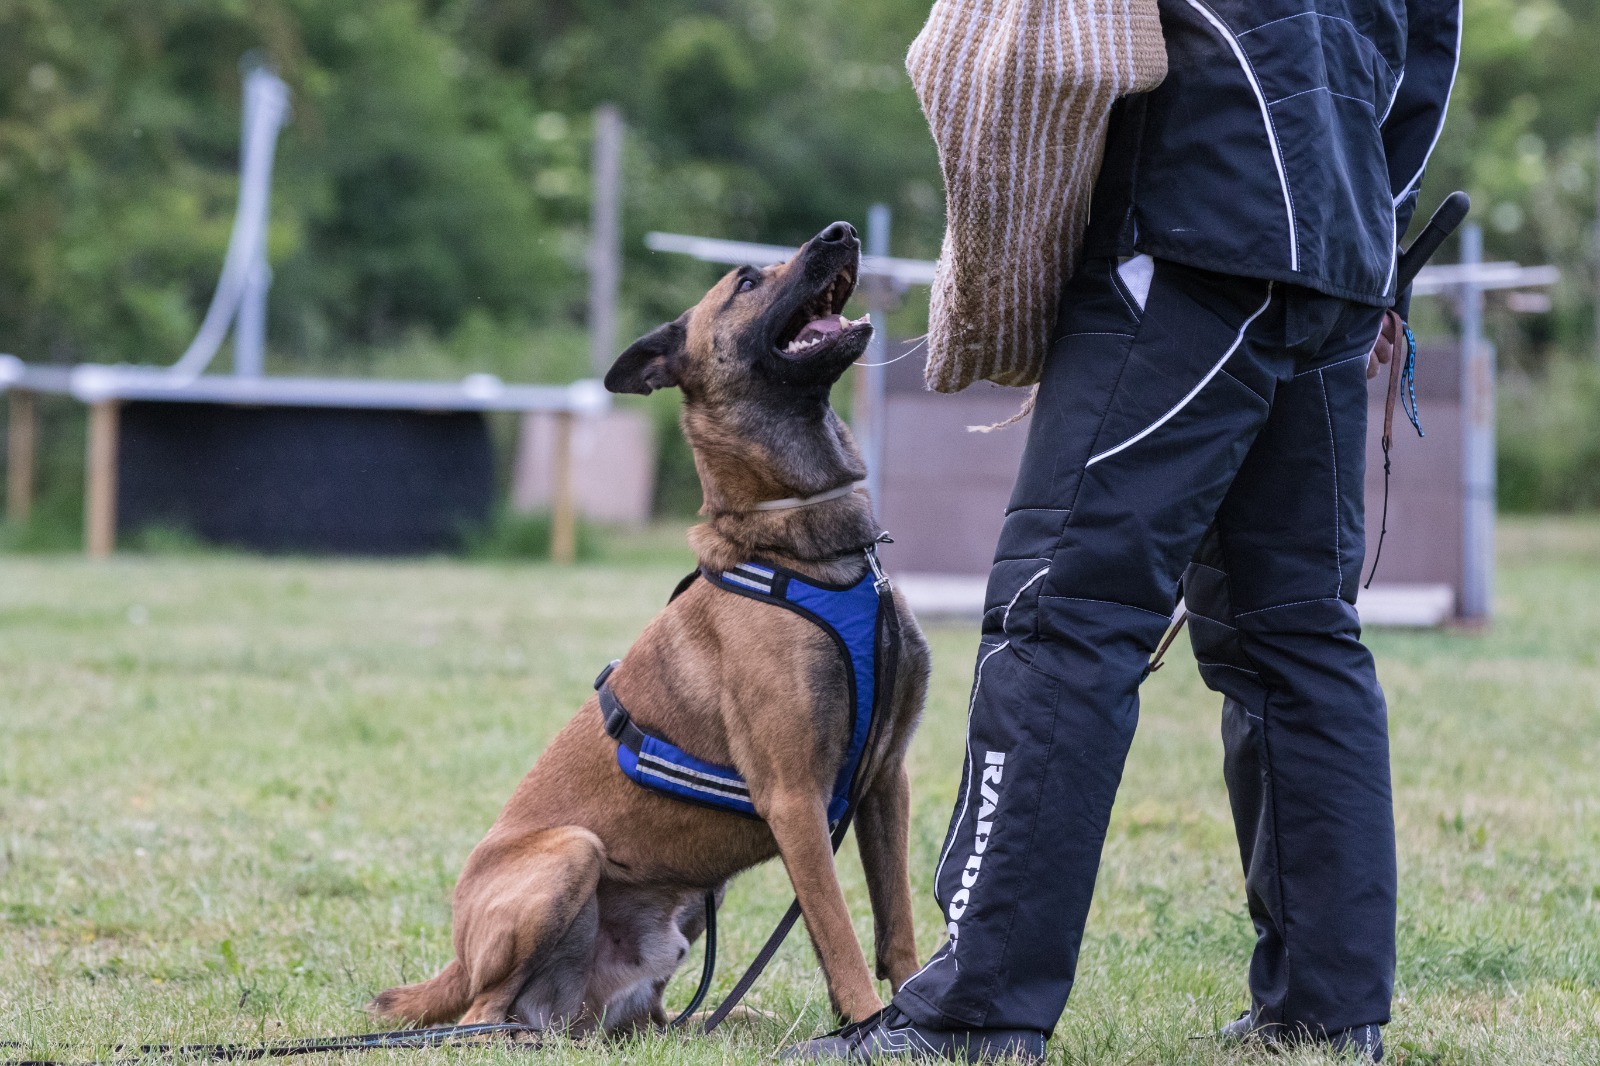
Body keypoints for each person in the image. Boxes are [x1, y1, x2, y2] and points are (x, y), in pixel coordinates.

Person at [786, 0, 1460, 1061]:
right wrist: (1375, 240)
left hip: (1189, 228)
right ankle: (1326, 1014)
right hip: (1336, 253)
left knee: (1063, 616)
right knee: (1297, 632)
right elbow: (1429, 46)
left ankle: (978, 1015)